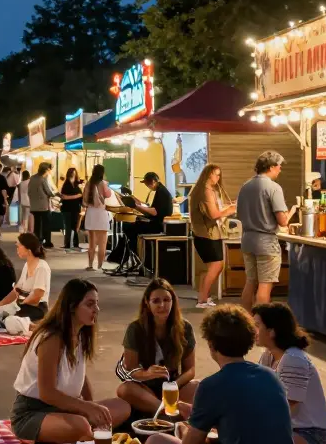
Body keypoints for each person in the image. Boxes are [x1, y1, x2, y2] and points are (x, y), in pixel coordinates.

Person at [145, 305, 299, 444]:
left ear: (211, 344)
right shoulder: (271, 376)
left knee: (155, 442)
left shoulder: (211, 386)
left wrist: (188, 428)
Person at [10, 279, 132, 444]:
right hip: (33, 411)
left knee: (122, 406)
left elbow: (80, 375)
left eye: (96, 303)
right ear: (72, 307)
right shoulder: (51, 338)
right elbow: (47, 393)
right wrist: (86, 408)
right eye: (90, 304)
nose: (96, 309)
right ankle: (59, 434)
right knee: (82, 427)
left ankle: (77, 434)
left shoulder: (80, 333)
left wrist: (90, 406)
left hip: (67, 408)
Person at [253, 303, 326, 444]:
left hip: (309, 437)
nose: (253, 331)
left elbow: (285, 408)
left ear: (272, 331)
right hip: (285, 430)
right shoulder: (268, 356)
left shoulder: (293, 359)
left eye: (257, 325)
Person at [116, 278, 198, 417]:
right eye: (156, 301)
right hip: (144, 387)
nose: (162, 305)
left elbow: (190, 369)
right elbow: (129, 369)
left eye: (167, 300)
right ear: (147, 303)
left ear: (173, 301)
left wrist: (174, 386)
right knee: (125, 389)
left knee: (201, 386)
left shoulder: (185, 327)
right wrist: (147, 373)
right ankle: (166, 412)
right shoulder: (135, 328)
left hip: (172, 385)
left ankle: (164, 409)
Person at [236, 151, 289, 311]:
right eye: (279, 166)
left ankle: (246, 322)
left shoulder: (245, 186)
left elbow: (239, 214)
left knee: (250, 281)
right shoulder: (274, 188)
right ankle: (261, 326)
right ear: (272, 167)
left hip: (247, 240)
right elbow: (282, 220)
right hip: (266, 242)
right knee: (265, 285)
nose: (280, 170)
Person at [190, 164, 236, 309]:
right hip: (206, 234)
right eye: (216, 174)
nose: (218, 178)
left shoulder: (204, 190)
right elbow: (214, 214)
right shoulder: (205, 191)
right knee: (216, 265)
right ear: (208, 174)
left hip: (205, 233)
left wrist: (228, 206)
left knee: (212, 267)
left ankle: (204, 297)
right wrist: (231, 209)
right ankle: (202, 299)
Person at [0, 233, 50, 321]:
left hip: (36, 308)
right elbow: (15, 291)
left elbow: (37, 296)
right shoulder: (27, 265)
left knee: (9, 320)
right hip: (21, 305)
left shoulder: (42, 267)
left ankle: (28, 327)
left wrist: (18, 306)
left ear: (28, 248)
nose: (17, 249)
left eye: (18, 246)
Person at [82, 164, 114, 272]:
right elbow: (108, 195)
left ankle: (90, 265)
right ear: (102, 173)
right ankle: (100, 266)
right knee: (102, 242)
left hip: (90, 213)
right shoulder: (103, 184)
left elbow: (84, 200)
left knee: (92, 242)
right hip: (101, 213)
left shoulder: (88, 184)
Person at [27, 163, 58, 248]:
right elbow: (49, 192)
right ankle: (47, 242)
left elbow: (29, 191)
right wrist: (56, 194)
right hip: (43, 206)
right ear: (46, 170)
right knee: (46, 224)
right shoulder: (42, 179)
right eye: (49, 170)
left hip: (33, 206)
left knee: (37, 224)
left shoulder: (32, 178)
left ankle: (37, 240)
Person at [59, 167, 84, 253]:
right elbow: (64, 197)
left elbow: (81, 196)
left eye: (74, 173)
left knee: (75, 226)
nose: (73, 175)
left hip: (75, 208)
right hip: (67, 208)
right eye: (72, 174)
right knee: (68, 226)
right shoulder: (66, 185)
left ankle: (75, 243)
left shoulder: (77, 185)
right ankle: (67, 243)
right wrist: (77, 196)